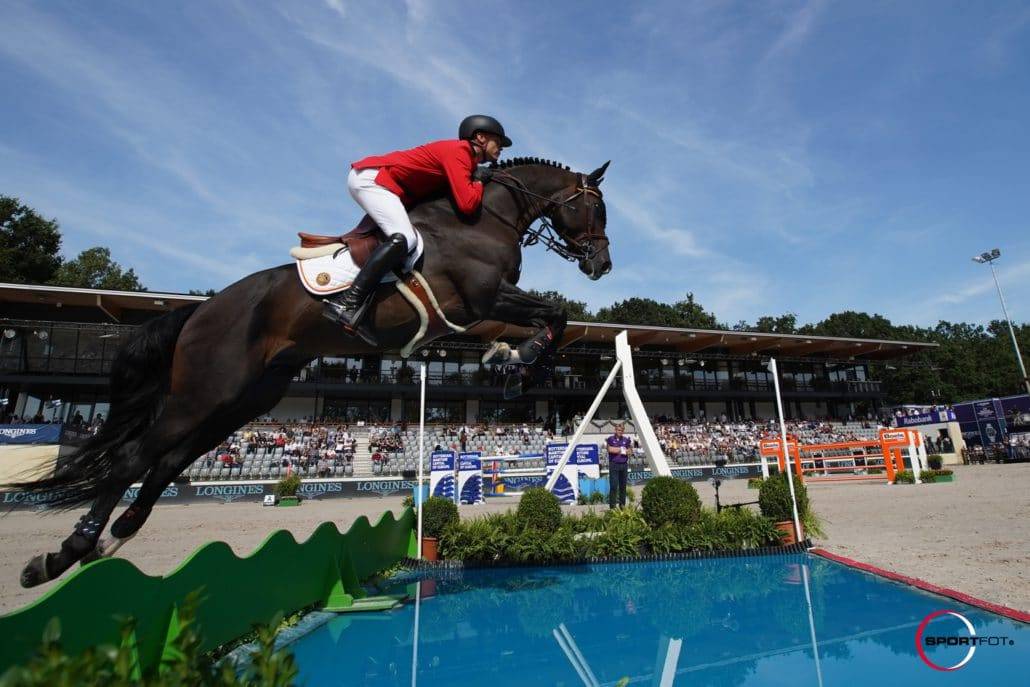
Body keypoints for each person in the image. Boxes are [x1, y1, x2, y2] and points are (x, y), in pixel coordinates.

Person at [322, 115, 512, 332]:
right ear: (480, 137)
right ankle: (346, 302)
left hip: (388, 187)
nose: (501, 148)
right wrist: (478, 182)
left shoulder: (465, 159)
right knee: (405, 238)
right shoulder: (460, 151)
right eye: (498, 141)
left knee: (407, 243)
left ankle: (363, 310)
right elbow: (467, 204)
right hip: (373, 179)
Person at [606, 423, 632, 509]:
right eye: (618, 430)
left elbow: (630, 451)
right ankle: (612, 507)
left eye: (621, 430)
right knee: (613, 486)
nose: (619, 432)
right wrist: (622, 449)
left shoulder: (626, 440)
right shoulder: (610, 439)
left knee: (623, 487)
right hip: (614, 465)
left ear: (623, 431)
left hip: (624, 465)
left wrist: (618, 450)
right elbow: (610, 449)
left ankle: (622, 506)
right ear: (615, 430)